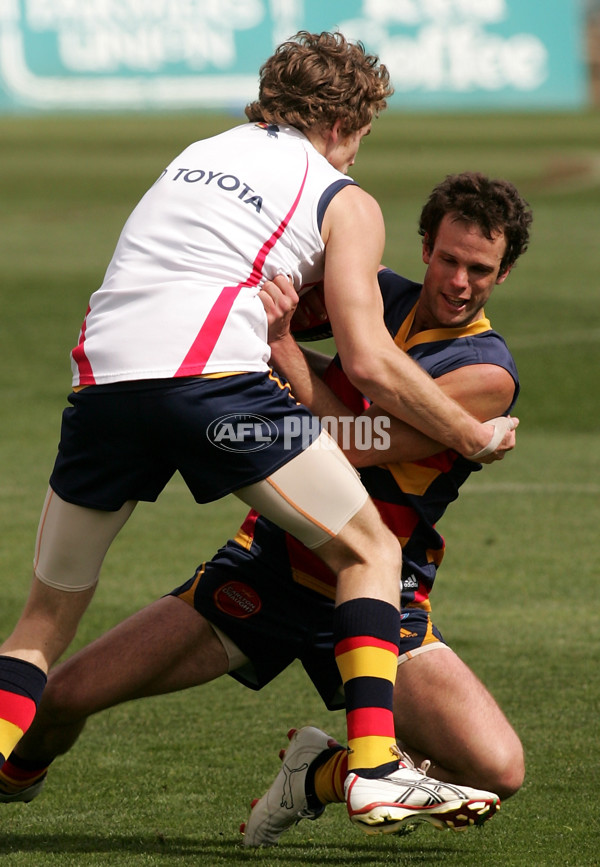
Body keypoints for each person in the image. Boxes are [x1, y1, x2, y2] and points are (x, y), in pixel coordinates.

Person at [0, 172, 530, 842]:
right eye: (449, 260)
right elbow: (241, 311)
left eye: (479, 269)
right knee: (63, 699)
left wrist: (281, 348)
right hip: (266, 572)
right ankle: (11, 774)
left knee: (497, 769)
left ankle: (324, 773)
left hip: (383, 593)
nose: (459, 281)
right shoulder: (373, 294)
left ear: (503, 274)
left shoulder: (485, 373)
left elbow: (354, 444)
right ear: (426, 246)